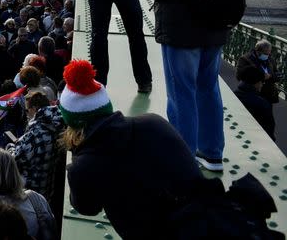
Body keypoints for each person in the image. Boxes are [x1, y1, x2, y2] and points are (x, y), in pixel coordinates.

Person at [139, 0, 237, 171]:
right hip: (217, 27)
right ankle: (212, 153)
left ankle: (182, 157)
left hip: (182, 31)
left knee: (181, 93)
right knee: (208, 90)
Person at [60, 59, 213, 238]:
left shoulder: (83, 168)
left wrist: (78, 154)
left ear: (71, 123)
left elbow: (87, 208)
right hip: (207, 222)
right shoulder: (154, 123)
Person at [10, 91, 64, 202]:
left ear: (34, 109)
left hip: (31, 190)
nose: (26, 114)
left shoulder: (36, 132)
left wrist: (10, 146)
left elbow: (15, 159)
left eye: (26, 110)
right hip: (47, 187)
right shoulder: (57, 124)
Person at [234, 66, 275, 140]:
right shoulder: (262, 104)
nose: (262, 85)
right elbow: (269, 129)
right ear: (257, 83)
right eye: (262, 82)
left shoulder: (234, 94)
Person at [236, 40, 279, 104]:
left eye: (269, 53)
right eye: (265, 53)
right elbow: (239, 76)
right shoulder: (245, 59)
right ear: (257, 51)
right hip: (251, 95)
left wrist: (271, 76)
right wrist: (260, 77)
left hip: (268, 95)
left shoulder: (270, 59)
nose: (267, 55)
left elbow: (277, 74)